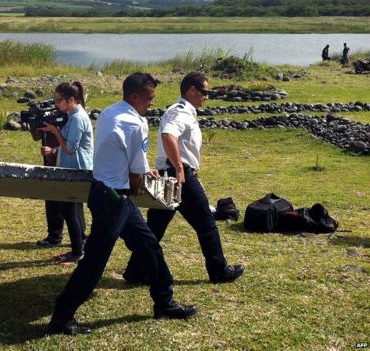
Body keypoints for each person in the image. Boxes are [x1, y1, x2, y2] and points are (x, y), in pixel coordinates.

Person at [47, 73, 197, 335]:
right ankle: (62, 316)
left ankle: (164, 301)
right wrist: (143, 181)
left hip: (105, 192)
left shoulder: (109, 112)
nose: (152, 104)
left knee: (148, 245)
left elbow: (122, 156)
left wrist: (139, 170)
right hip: (114, 199)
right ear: (135, 96)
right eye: (149, 99)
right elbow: (135, 178)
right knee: (94, 260)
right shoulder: (134, 124)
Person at [122, 72, 244, 286]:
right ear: (192, 90)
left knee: (155, 226)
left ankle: (136, 271)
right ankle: (219, 270)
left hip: (174, 173)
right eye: (204, 92)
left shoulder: (183, 112)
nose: (207, 96)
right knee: (206, 223)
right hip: (181, 175)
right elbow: (168, 136)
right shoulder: (181, 113)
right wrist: (179, 168)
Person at [38, 81, 92, 264]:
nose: (57, 104)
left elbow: (70, 148)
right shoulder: (72, 114)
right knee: (70, 210)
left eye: (59, 100)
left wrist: (55, 131)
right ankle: (77, 249)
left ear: (71, 99)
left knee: (70, 211)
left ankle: (77, 252)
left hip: (77, 168)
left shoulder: (78, 117)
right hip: (70, 168)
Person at [30, 128, 68, 248]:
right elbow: (36, 137)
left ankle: (80, 237)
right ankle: (54, 236)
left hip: (66, 162)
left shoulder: (70, 117)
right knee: (51, 199)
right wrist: (35, 125)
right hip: (50, 163)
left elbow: (74, 143)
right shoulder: (47, 117)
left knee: (71, 203)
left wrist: (53, 151)